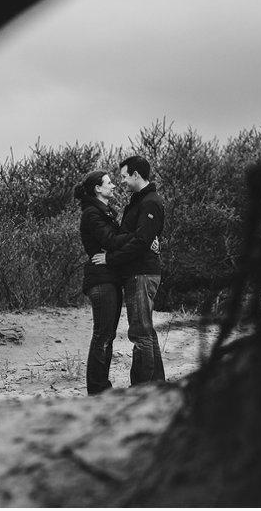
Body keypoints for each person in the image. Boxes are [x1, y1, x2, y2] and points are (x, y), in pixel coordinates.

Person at [92, 155, 166, 386]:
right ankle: (157, 385)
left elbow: (141, 241)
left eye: (124, 176)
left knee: (140, 334)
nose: (121, 181)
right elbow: (138, 237)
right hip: (138, 272)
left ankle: (141, 389)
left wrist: (110, 259)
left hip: (141, 273)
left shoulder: (150, 202)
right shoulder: (139, 201)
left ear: (136, 174)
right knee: (146, 332)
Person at [74, 170, 130, 395]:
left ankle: (100, 387)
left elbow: (112, 241)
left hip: (108, 278)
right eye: (109, 182)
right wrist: (139, 235)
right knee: (102, 336)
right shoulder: (92, 213)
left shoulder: (102, 212)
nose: (114, 185)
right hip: (101, 279)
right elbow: (110, 240)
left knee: (107, 336)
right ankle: (97, 389)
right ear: (98, 188)